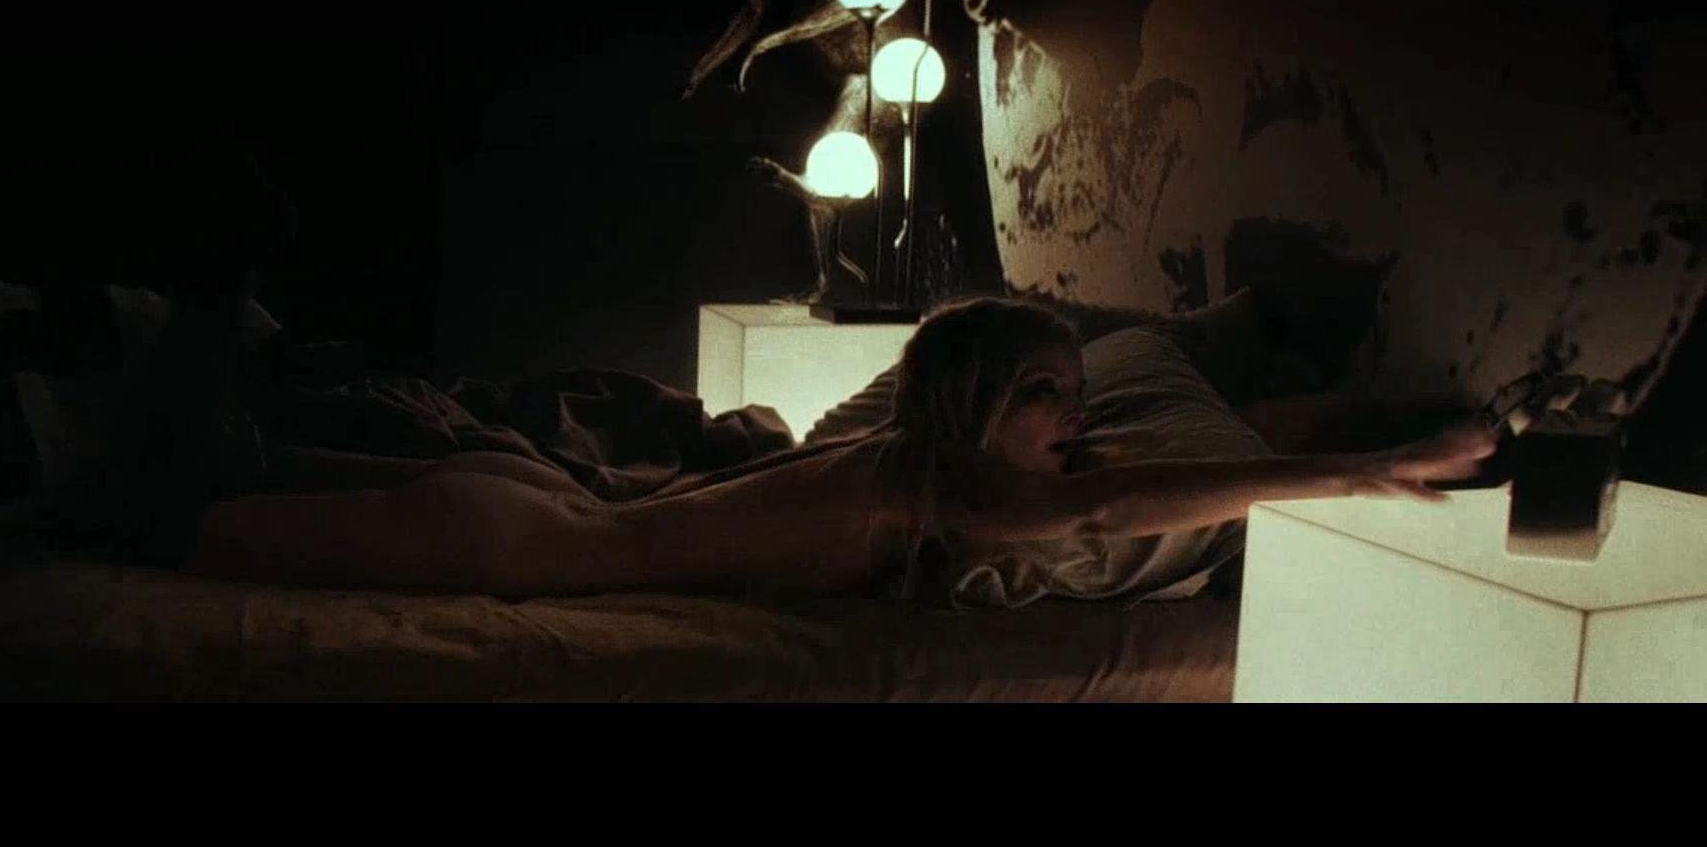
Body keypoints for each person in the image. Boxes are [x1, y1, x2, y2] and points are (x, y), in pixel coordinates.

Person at [114, 292, 1493, 601]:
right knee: (155, 530)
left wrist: (1370, 427)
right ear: (970, 402)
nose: (1075, 422)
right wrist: (1366, 473)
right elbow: (1109, 509)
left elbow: (1171, 455)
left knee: (196, 488)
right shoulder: (938, 482)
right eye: (1044, 393)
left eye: (1079, 393)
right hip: (525, 541)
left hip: (545, 505)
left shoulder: (926, 467)